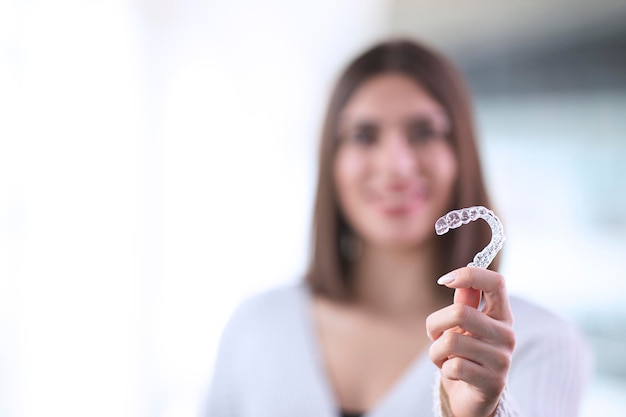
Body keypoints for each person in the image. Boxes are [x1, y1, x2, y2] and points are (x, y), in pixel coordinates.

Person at [204, 39, 590, 417]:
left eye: (423, 132)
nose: (396, 165)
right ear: (332, 161)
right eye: (363, 135)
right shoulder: (256, 327)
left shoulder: (542, 343)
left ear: (460, 155)